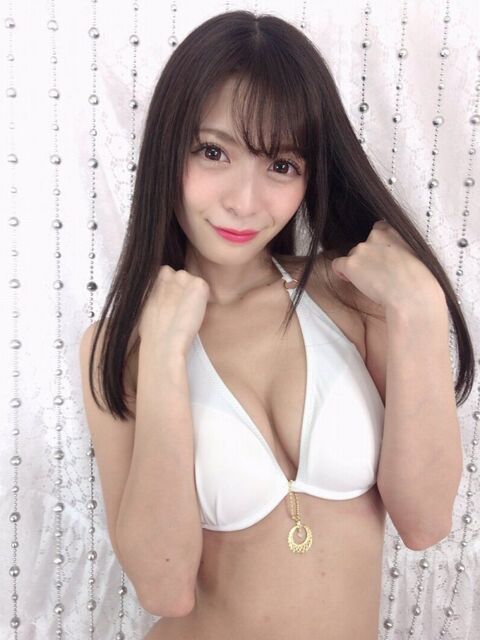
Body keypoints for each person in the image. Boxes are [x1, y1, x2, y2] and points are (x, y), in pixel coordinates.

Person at [78, 10, 474, 640]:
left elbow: (425, 522)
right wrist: (164, 355)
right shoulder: (120, 345)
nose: (244, 201)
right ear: (168, 150)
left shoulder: (352, 298)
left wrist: (421, 308)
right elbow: (163, 587)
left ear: (310, 175)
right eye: (213, 152)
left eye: (281, 165)